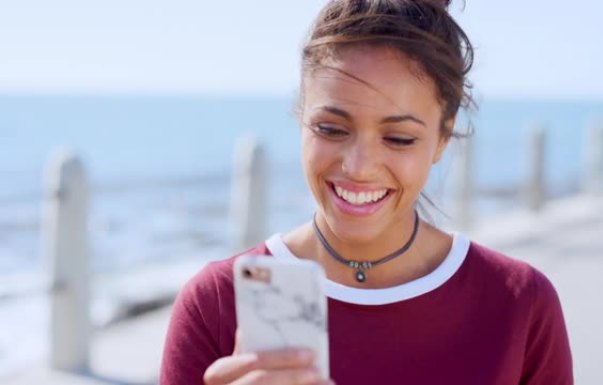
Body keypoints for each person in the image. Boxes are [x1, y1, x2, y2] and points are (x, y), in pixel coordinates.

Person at [160, 0, 573, 384]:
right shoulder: (214, 304)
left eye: (398, 138)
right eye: (331, 129)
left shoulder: (519, 303)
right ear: (301, 117)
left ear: (443, 139)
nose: (358, 167)